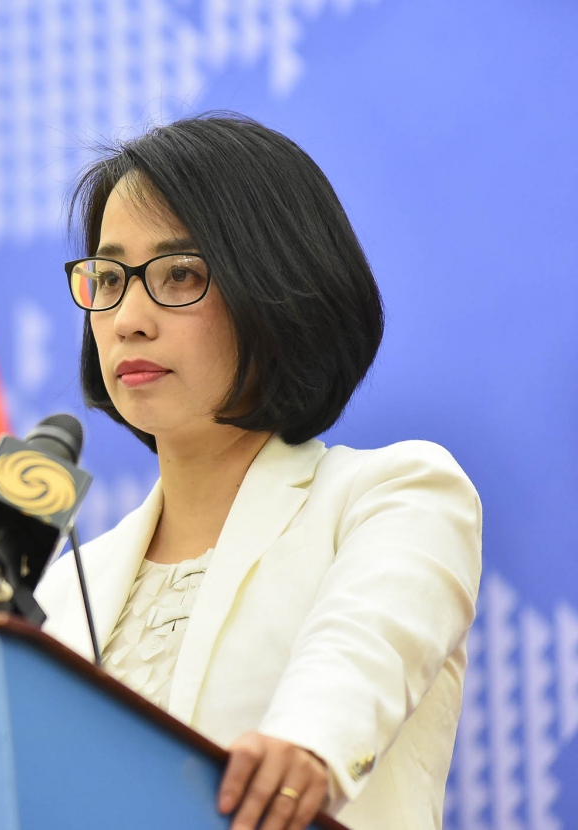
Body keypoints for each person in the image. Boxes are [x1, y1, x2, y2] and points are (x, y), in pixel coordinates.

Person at [34, 114, 481, 830]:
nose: (127, 318)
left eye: (180, 274)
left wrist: (305, 747)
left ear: (276, 289)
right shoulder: (60, 589)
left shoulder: (396, 497)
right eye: (109, 278)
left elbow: (363, 650)